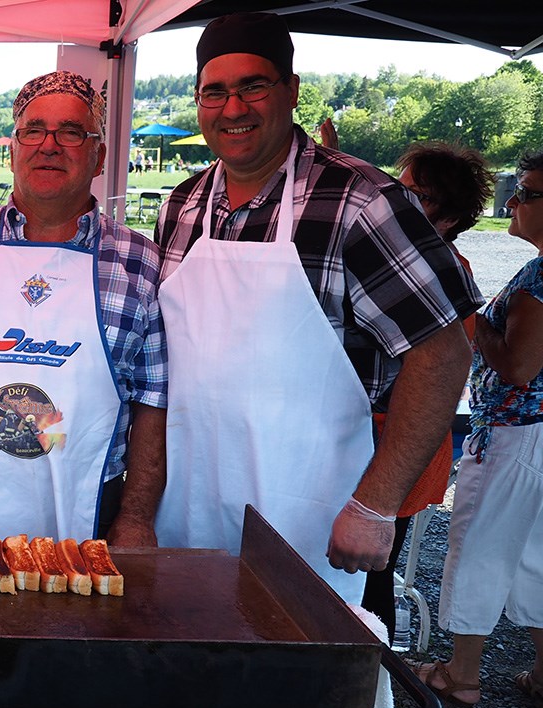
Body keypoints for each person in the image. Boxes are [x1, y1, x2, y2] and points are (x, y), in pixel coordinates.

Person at [150, 12, 480, 601]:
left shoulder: (361, 202)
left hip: (312, 517)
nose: (234, 109)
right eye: (215, 92)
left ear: (292, 91)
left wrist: (377, 504)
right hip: (188, 506)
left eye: (254, 86)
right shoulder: (183, 204)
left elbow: (443, 353)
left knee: (300, 679)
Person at [0, 70, 167, 543]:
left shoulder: (139, 261)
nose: (49, 145)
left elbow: (152, 401)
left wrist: (136, 517)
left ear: (99, 156)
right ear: (13, 149)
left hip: (91, 514)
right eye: (33, 130)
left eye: (71, 132)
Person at [416, 152, 543, 708]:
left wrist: (473, 323)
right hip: (533, 437)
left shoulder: (541, 276)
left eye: (528, 193)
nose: (512, 202)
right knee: (533, 555)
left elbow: (519, 367)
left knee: (479, 547)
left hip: (518, 433)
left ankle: (460, 673)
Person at [360, 141, 493, 641]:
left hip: (399, 445)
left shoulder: (443, 267)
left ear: (452, 213)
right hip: (375, 438)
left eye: (418, 195)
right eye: (400, 189)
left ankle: (376, 688)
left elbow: (437, 369)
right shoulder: (402, 253)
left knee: (370, 578)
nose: (400, 202)